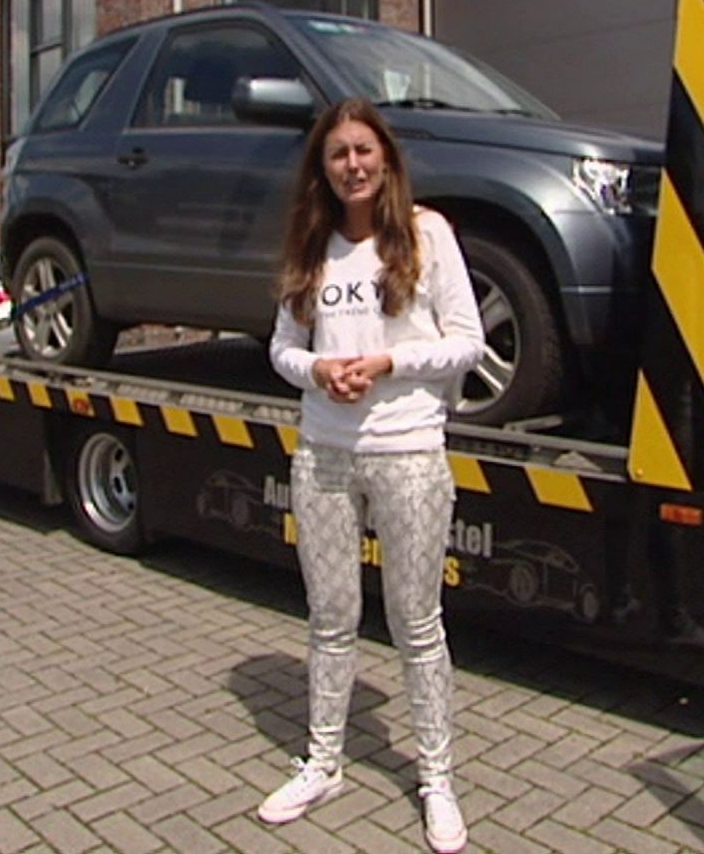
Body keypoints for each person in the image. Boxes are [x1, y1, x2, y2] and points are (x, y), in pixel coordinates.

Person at [257, 97, 485, 854]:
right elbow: (281, 349)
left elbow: (467, 342)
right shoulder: (311, 243)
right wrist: (318, 370)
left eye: (363, 149)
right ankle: (323, 763)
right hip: (323, 453)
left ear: (384, 156)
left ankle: (437, 779)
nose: (351, 165)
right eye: (337, 154)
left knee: (417, 624)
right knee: (330, 619)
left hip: (408, 452)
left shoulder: (426, 233)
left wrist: (389, 361)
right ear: (321, 168)